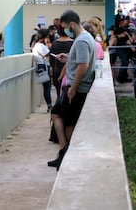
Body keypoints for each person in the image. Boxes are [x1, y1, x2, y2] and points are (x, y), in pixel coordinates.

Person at [48, 10, 96, 170]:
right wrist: (68, 58)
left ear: (72, 24)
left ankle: (68, 157)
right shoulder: (84, 38)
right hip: (74, 87)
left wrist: (73, 88)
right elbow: (80, 61)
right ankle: (63, 151)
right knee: (56, 113)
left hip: (76, 88)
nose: (65, 30)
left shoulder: (82, 41)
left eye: (65, 27)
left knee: (69, 124)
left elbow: (83, 66)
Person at [49, 24, 74, 98]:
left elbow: (52, 61)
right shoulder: (73, 43)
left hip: (57, 70)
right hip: (70, 71)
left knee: (59, 93)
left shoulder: (55, 43)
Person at [32, 29, 53, 112]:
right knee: (47, 87)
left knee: (46, 87)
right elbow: (48, 54)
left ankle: (49, 105)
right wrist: (48, 44)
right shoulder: (40, 45)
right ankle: (49, 106)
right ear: (46, 36)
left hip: (39, 66)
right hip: (43, 66)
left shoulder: (35, 45)